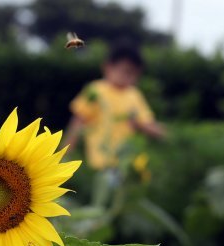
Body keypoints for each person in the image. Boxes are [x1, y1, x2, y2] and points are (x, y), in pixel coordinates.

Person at [64, 43, 165, 207]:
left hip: (125, 160)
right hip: (99, 159)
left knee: (115, 202)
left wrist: (160, 131)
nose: (129, 78)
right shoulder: (96, 90)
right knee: (98, 199)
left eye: (134, 74)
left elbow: (146, 122)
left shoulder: (133, 94)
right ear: (107, 67)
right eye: (125, 71)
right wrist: (66, 149)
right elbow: (79, 120)